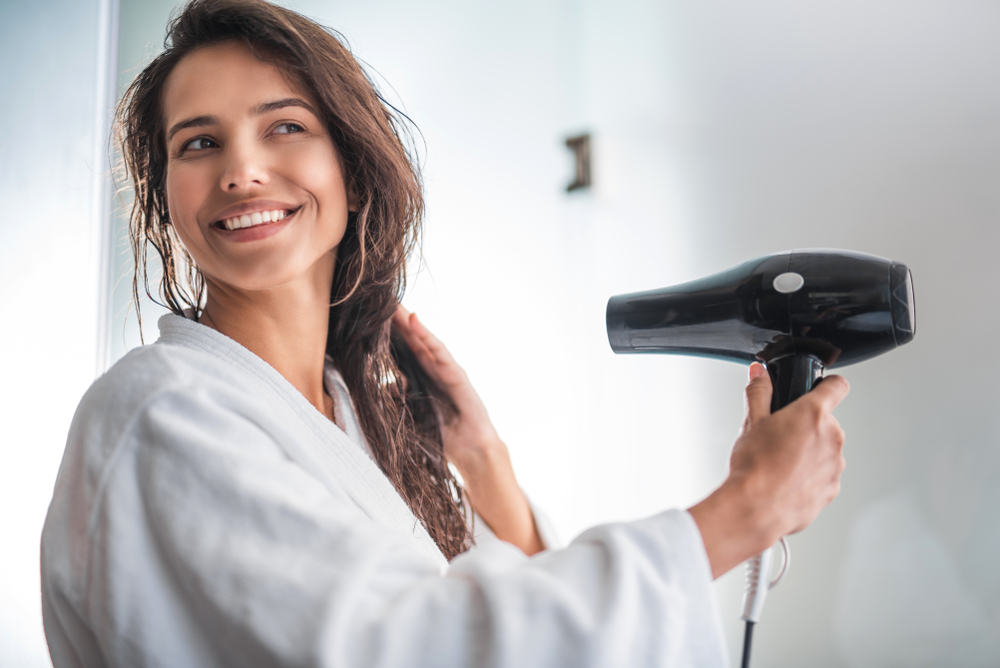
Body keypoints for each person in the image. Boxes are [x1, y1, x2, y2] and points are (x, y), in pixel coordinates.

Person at [40, 1, 849, 666]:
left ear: (351, 172)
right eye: (199, 143)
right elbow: (419, 648)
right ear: (169, 199)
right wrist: (744, 510)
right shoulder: (157, 413)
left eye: (283, 127)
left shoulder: (341, 422)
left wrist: (485, 467)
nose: (241, 170)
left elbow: (499, 622)